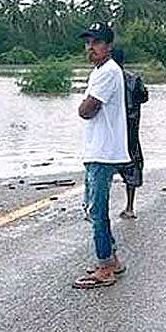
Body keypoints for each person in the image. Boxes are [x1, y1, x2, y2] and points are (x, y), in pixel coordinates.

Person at [73, 22, 131, 289]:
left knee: (96, 209)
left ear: (108, 46)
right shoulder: (100, 71)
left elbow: (88, 109)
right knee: (93, 207)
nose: (90, 48)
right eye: (88, 43)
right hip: (97, 148)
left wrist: (82, 106)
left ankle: (105, 266)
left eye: (95, 43)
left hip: (103, 151)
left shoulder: (108, 72)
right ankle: (112, 259)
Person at [113, 49, 149, 220]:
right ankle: (129, 206)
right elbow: (144, 97)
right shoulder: (133, 79)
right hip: (131, 129)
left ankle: (97, 207)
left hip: (113, 130)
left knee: (104, 167)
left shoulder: (107, 78)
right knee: (132, 166)